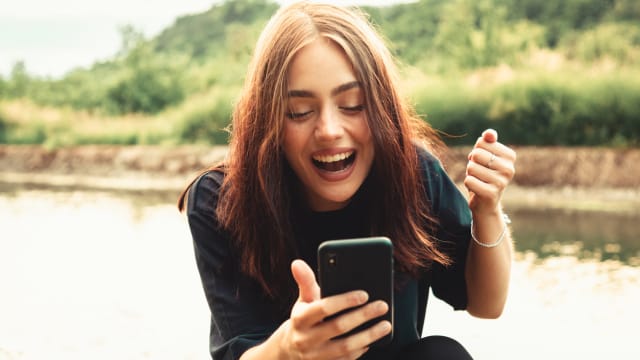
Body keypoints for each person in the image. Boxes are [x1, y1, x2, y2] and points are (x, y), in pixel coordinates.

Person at [178, 2, 517, 359]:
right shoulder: (221, 199)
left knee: (441, 353)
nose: (329, 131)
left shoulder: (414, 173)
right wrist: (288, 348)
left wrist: (488, 210)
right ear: (268, 119)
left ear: (381, 106)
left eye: (353, 104)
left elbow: (486, 304)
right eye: (300, 112)